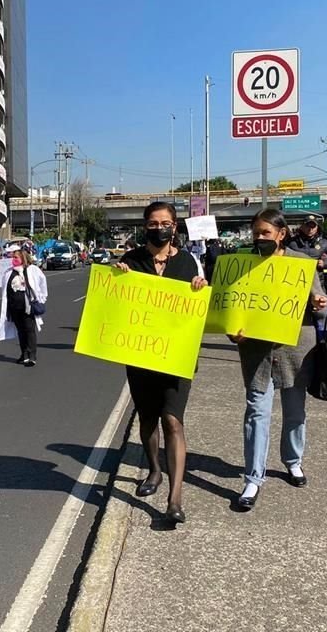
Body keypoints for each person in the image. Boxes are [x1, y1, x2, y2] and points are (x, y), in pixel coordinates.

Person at [115, 201, 208, 524]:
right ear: (145, 226)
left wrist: (200, 288)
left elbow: (200, 307)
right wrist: (119, 278)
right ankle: (154, 469)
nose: (159, 228)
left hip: (176, 357)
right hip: (141, 355)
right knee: (147, 419)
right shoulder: (131, 260)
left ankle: (175, 498)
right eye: (153, 223)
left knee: (173, 421)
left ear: (175, 225)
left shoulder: (189, 262)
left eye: (165, 222)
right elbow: (117, 304)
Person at [230, 209, 327, 510]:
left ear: (281, 234)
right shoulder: (241, 264)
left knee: (295, 410)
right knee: (256, 413)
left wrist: (320, 304)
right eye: (256, 233)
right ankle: (252, 479)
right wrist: (232, 333)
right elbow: (232, 307)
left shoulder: (301, 265)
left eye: (265, 233)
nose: (259, 238)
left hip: (295, 349)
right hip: (257, 352)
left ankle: (293, 461)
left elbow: (322, 308)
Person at [0, 246, 47, 367]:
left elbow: (42, 282)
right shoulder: (9, 272)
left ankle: (32, 356)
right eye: (12, 257)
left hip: (28, 306)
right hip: (14, 307)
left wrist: (41, 297)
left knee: (29, 330)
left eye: (16, 257)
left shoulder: (32, 270)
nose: (13, 259)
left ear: (23, 258)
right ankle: (24, 354)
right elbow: (4, 288)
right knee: (20, 331)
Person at [286, 216, 327, 305]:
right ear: (302, 227)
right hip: (295, 282)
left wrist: (325, 264)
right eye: (307, 226)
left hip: (317, 283)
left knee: (320, 312)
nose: (310, 229)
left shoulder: (323, 243)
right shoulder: (291, 242)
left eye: (313, 226)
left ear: (316, 228)